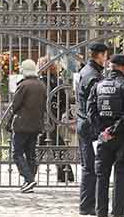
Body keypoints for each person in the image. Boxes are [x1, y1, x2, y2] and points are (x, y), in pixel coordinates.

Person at [88, 53, 124, 217]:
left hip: (103, 138)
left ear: (111, 67)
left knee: (101, 177)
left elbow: (91, 112)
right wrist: (113, 130)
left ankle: (101, 212)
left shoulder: (98, 85)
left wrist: (102, 132)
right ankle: (118, 213)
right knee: (121, 177)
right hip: (122, 138)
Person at [77, 42, 110, 215]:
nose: (106, 59)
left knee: (89, 166)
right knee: (91, 167)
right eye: (105, 55)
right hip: (90, 126)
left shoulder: (86, 71)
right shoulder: (93, 76)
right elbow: (94, 104)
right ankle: (87, 206)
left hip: (84, 124)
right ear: (100, 55)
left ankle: (88, 204)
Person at [9, 59, 47, 193]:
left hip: (22, 124)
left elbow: (15, 105)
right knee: (31, 154)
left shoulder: (23, 85)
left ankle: (28, 178)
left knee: (17, 152)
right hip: (36, 124)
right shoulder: (41, 85)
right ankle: (29, 181)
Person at [38, 55, 75, 183]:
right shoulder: (58, 82)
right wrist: (62, 115)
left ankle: (29, 173)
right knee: (57, 145)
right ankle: (65, 173)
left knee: (39, 146)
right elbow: (65, 102)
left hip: (42, 118)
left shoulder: (39, 82)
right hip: (54, 117)